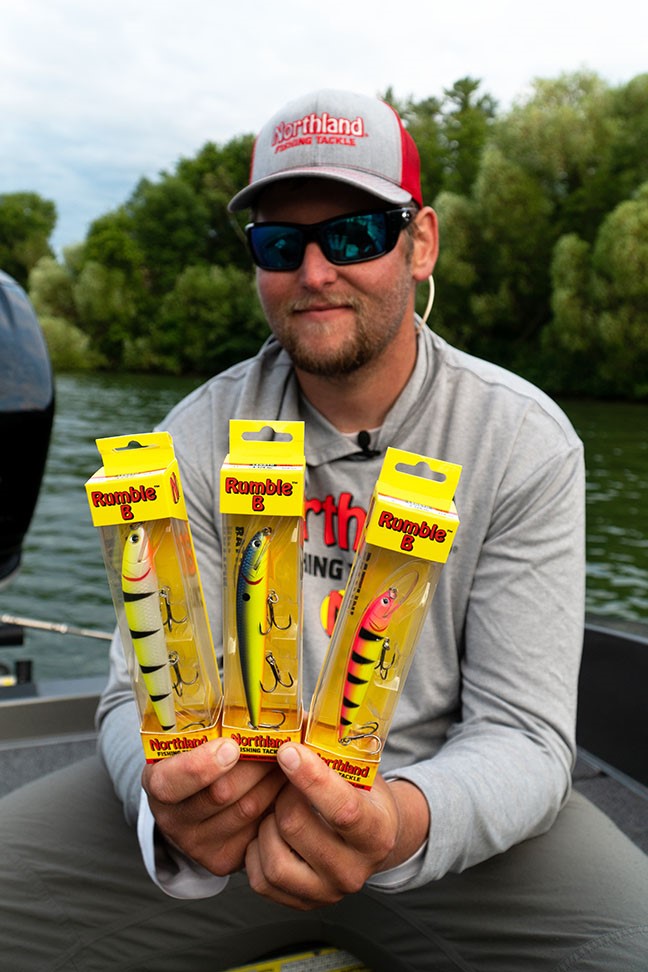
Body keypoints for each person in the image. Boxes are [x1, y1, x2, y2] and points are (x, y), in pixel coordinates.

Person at [1, 88, 647, 972]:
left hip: (437, 813)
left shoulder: (524, 441)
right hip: (222, 831)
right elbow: (130, 699)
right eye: (280, 241)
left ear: (420, 244)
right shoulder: (191, 434)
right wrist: (171, 803)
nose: (314, 271)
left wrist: (396, 821)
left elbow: (525, 736)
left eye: (353, 235)